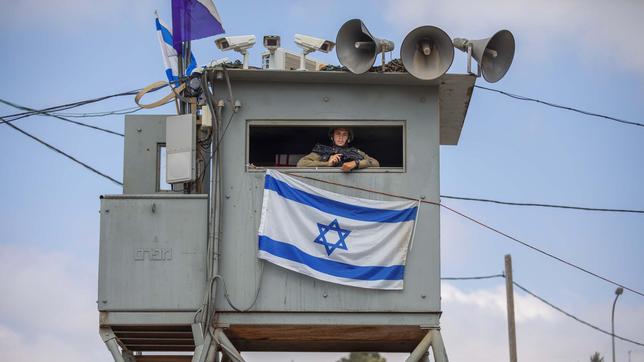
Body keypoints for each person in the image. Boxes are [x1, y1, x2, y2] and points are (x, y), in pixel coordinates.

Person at [296, 127, 379, 171]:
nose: (341, 137)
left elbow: (375, 163)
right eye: (338, 134)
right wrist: (327, 163)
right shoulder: (324, 151)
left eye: (344, 134)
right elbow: (301, 163)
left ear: (348, 138)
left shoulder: (355, 152)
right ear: (332, 137)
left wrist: (356, 163)